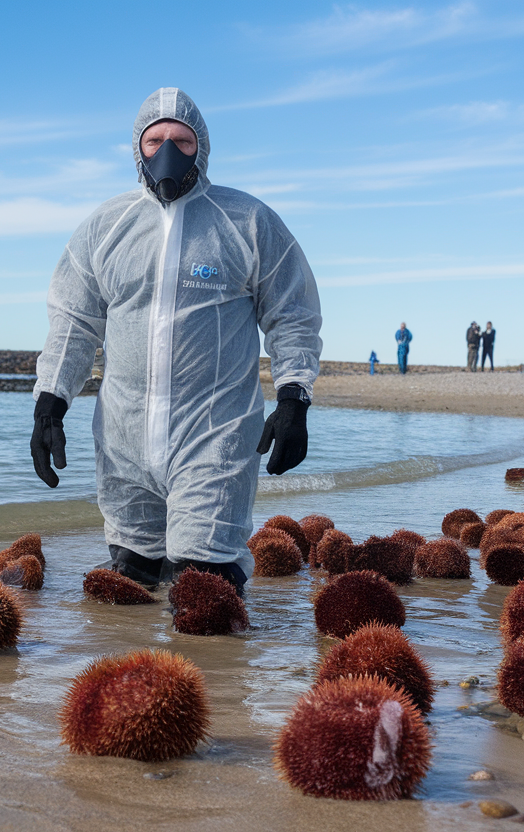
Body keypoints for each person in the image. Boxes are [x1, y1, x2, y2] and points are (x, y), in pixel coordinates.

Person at [30, 88, 322, 596]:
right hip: (123, 440)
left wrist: (294, 398)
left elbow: (292, 313)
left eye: (182, 140)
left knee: (204, 587)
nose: (167, 151)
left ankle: (220, 678)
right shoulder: (106, 227)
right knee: (130, 582)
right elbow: (74, 321)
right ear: (137, 148)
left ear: (202, 147)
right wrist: (50, 404)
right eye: (155, 139)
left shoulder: (247, 222)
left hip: (215, 433)